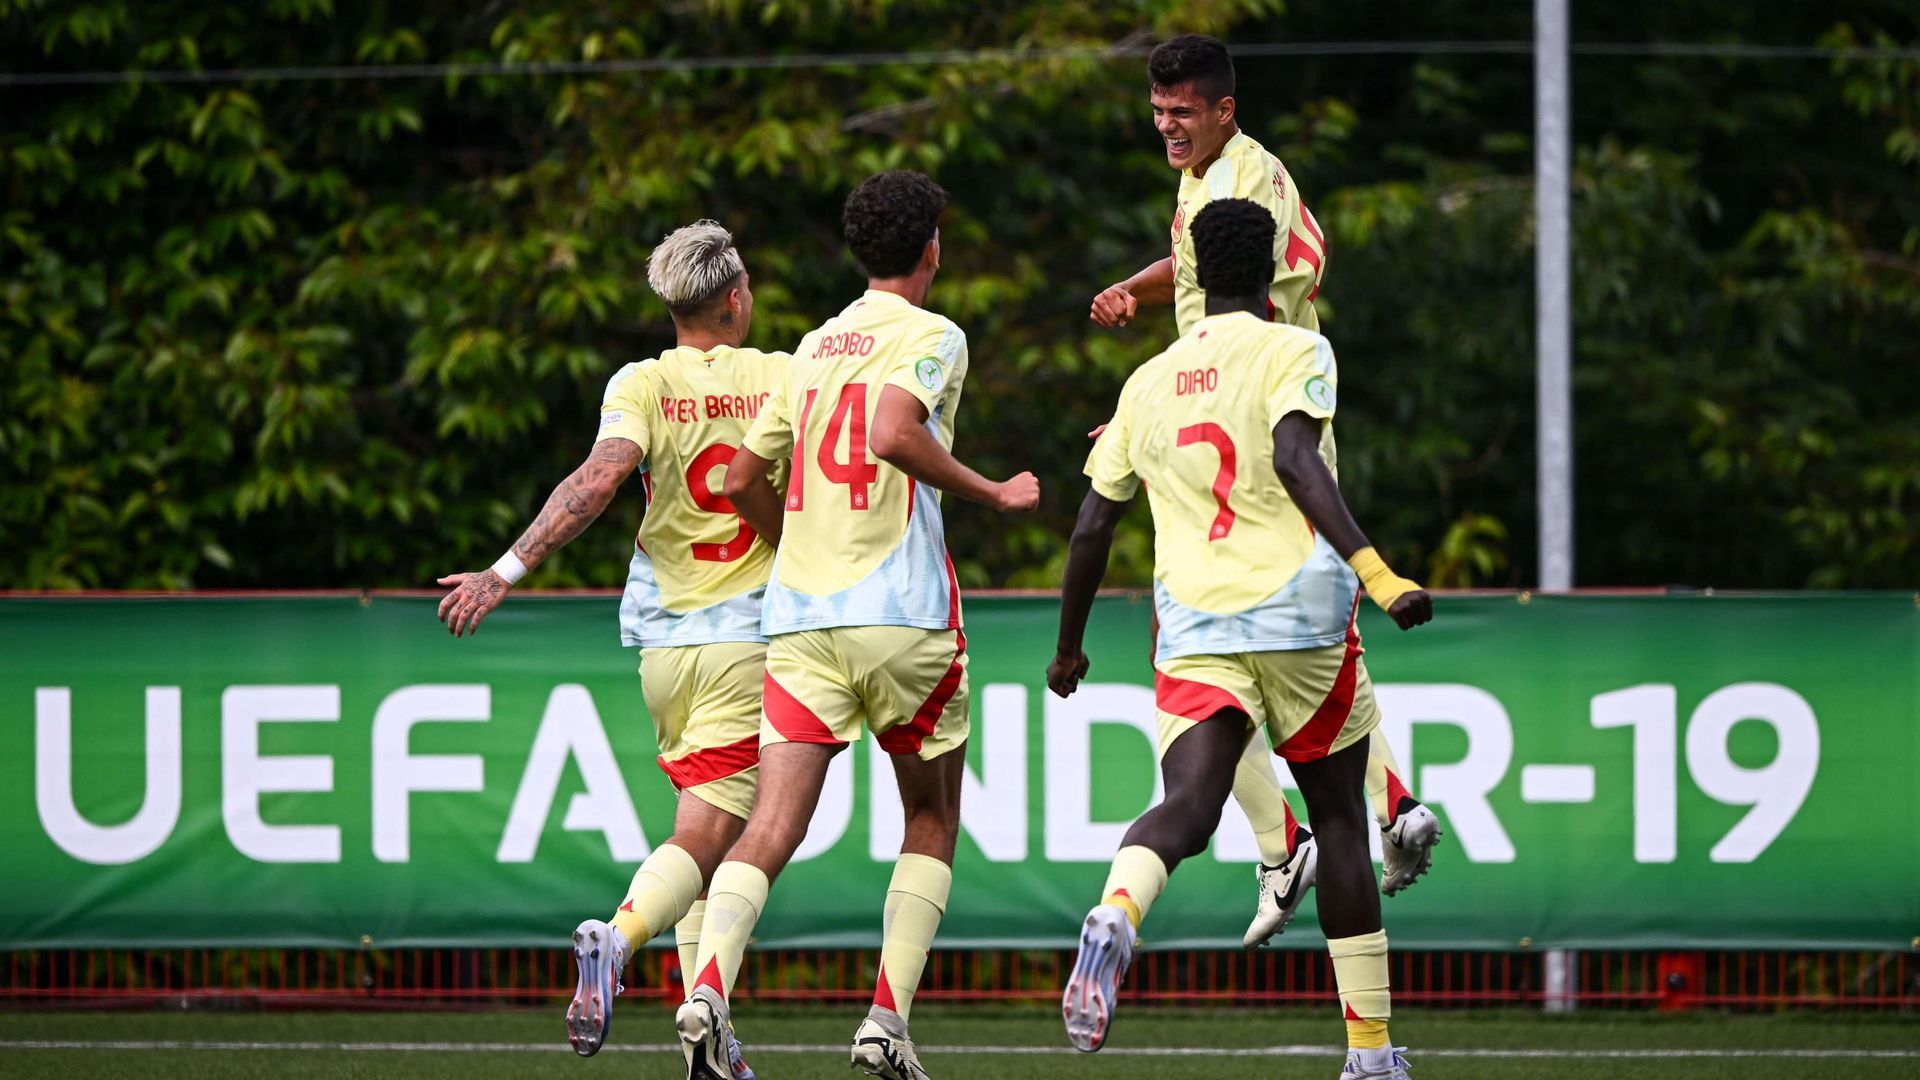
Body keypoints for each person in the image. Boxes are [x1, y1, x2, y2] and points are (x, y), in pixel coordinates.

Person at [1052, 197, 1431, 1080]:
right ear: (1271, 275)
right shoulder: (1297, 348)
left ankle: (1117, 910)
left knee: (1189, 804)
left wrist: (1069, 649)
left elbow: (1090, 528)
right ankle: (1370, 1056)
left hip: (1193, 623)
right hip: (1298, 612)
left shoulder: (1144, 383)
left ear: (1189, 275)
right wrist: (1379, 576)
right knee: (1338, 819)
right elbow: (1299, 461)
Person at [675, 170, 1039, 1080]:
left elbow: (735, 483)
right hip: (904, 617)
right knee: (930, 814)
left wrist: (796, 543)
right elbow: (890, 431)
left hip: (802, 621)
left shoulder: (811, 346)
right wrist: (993, 490)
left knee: (771, 826)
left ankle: (708, 987)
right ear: (931, 250)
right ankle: (884, 1021)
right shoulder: (934, 334)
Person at [1090, 34, 1441, 932]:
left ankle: (1293, 848)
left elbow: (1254, 289)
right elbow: (1216, 265)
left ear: (1222, 110)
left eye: (1181, 113)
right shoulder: (1226, 170)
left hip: (1258, 428)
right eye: (1158, 110)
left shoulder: (1238, 181)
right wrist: (1141, 285)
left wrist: (1159, 403)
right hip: (1248, 418)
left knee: (1201, 657)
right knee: (1301, 653)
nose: (1167, 126)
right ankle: (1385, 809)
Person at [435, 220, 777, 1077]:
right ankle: (617, 937)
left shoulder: (642, 381)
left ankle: (709, 1026)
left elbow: (597, 480)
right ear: (736, 296)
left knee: (708, 837)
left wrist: (505, 571)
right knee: (714, 840)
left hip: (664, 645)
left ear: (672, 307)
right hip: (746, 634)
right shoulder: (781, 373)